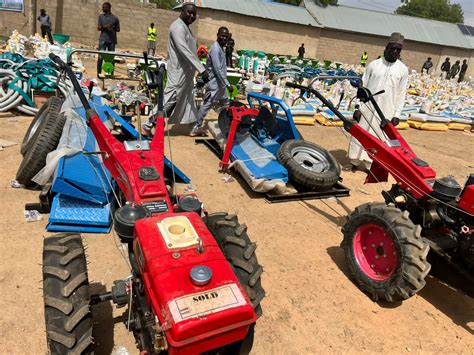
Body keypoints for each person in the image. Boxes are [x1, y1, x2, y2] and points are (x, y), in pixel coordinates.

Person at [346, 32, 408, 172]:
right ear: (386, 48)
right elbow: (362, 86)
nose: (395, 52)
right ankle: (353, 161)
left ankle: (370, 165)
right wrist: (357, 107)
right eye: (393, 48)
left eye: (398, 50)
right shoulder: (374, 65)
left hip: (386, 110)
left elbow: (401, 94)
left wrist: (397, 114)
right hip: (366, 107)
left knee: (379, 138)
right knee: (360, 134)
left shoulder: (403, 70)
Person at [162, 2, 208, 128]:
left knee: (188, 97)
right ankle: (149, 123)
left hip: (186, 71)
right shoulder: (178, 27)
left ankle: (193, 126)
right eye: (189, 12)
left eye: (194, 14)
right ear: (182, 11)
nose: (192, 16)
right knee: (171, 97)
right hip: (178, 71)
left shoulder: (185, 26)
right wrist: (202, 70)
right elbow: (183, 49)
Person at [192, 27, 233, 137]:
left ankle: (225, 123)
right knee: (207, 105)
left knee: (225, 103)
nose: (224, 38)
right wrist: (227, 84)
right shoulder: (215, 49)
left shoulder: (221, 48)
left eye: (226, 36)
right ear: (217, 35)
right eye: (222, 35)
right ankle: (196, 126)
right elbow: (217, 69)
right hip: (215, 84)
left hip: (221, 84)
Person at [97, 2, 120, 77]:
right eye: (102, 7)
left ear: (108, 8)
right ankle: (99, 73)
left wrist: (112, 27)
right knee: (100, 57)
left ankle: (110, 74)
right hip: (103, 39)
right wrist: (105, 26)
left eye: (104, 7)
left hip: (112, 40)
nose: (102, 8)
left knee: (111, 58)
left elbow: (118, 29)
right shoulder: (101, 17)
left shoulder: (115, 18)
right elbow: (98, 28)